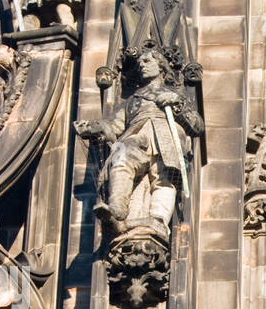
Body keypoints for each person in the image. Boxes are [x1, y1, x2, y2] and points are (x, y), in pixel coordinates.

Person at [75, 43, 203, 238]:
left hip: (166, 135)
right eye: (140, 62)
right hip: (138, 134)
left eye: (147, 61)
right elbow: (113, 126)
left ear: (161, 66)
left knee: (163, 179)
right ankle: (117, 207)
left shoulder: (177, 95)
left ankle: (158, 220)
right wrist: (95, 127)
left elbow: (197, 126)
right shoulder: (132, 101)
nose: (142, 65)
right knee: (122, 157)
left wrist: (177, 105)